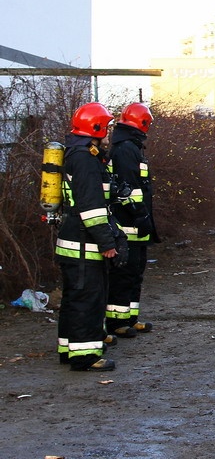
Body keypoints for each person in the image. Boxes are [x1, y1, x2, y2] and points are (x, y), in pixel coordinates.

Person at [56, 102, 127, 372]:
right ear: (95, 127)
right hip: (84, 244)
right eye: (107, 126)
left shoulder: (80, 153)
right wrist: (107, 243)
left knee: (75, 297)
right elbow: (92, 207)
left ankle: (68, 349)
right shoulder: (84, 158)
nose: (109, 131)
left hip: (75, 240)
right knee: (88, 298)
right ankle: (85, 356)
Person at [106, 102, 159, 339]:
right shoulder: (126, 149)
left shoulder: (130, 146)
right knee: (124, 274)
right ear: (143, 123)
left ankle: (130, 318)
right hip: (129, 224)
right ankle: (117, 322)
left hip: (137, 223)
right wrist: (140, 215)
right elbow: (128, 188)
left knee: (135, 272)